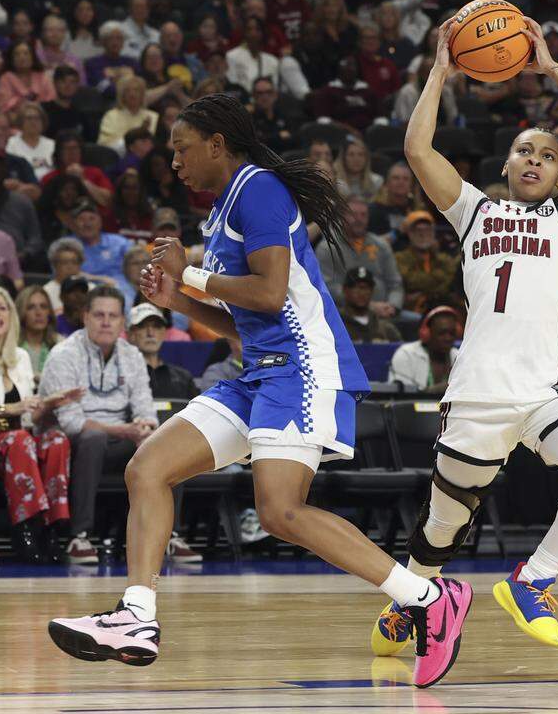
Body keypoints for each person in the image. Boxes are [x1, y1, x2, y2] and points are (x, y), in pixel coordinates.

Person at [48, 94, 470, 689]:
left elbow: (271, 295)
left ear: (216, 143)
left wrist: (189, 274)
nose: (173, 162)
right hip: (259, 370)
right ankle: (137, 617)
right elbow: (247, 323)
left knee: (279, 511)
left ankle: (428, 598)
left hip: (302, 369)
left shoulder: (261, 189)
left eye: (180, 148)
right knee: (149, 468)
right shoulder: (222, 210)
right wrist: (179, 302)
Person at [369, 17, 558, 659]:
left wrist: (551, 69)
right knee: (443, 525)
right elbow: (417, 151)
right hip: (482, 390)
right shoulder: (475, 212)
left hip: (552, 389)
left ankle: (531, 580)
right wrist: (440, 67)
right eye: (524, 151)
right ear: (506, 164)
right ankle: (414, 596)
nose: (535, 160)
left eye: (547, 155)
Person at [0, 286, 82, 562]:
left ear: (11, 316)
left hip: (17, 442)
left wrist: (47, 404)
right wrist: (11, 408)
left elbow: (26, 418)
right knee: (19, 440)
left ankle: (54, 529)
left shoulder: (19, 357)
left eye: (2, 308)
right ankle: (27, 530)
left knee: (56, 439)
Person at [38, 286, 165, 565]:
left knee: (161, 447)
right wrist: (125, 430)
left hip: (119, 439)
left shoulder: (132, 355)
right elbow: (72, 424)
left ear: (123, 322)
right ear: (85, 317)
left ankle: (168, 536)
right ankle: (78, 536)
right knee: (93, 438)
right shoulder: (64, 355)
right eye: (99, 315)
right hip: (71, 444)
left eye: (113, 316)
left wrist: (145, 428)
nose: (106, 322)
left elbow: (146, 408)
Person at [315, 197, 403, 317]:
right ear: (341, 217)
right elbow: (326, 286)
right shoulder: (327, 248)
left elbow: (395, 284)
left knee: (414, 321)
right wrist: (369, 305)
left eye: (363, 215)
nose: (359, 219)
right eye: (353, 214)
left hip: (384, 312)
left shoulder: (382, 246)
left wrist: (392, 306)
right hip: (343, 313)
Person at [128, 302, 198, 401]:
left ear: (164, 333)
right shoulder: (119, 376)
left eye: (156, 326)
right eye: (142, 326)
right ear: (130, 334)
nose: (150, 333)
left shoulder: (183, 378)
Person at [395, 211, 457, 314]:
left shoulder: (443, 259)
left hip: (442, 306)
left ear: (433, 233)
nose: (422, 234)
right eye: (417, 230)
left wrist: (422, 291)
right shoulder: (400, 258)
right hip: (413, 310)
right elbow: (410, 281)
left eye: (427, 230)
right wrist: (437, 279)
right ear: (409, 234)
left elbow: (449, 282)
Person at [387, 306, 461, 392]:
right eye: (442, 333)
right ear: (427, 333)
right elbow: (403, 394)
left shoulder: (458, 356)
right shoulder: (406, 354)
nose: (448, 338)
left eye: (452, 333)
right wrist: (441, 388)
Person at [71, 200, 133, 288]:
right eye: (81, 219)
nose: (87, 224)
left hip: (121, 287)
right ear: (74, 223)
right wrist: (99, 279)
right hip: (83, 288)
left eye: (92, 218)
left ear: (100, 221)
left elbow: (137, 264)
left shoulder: (119, 243)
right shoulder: (68, 246)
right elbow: (64, 272)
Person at [0, 39, 57, 117]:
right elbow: (5, 106)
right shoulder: (6, 78)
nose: (22, 58)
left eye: (26, 54)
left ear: (32, 57)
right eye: (17, 54)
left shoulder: (42, 77)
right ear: (12, 59)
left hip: (42, 118)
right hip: (15, 119)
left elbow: (51, 101)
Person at [339, 266, 401, 343]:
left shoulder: (384, 327)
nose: (362, 293)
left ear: (372, 291)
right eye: (356, 287)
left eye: (366, 288)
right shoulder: (335, 323)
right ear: (345, 290)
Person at [99, 76, 159, 152]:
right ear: (122, 95)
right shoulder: (111, 116)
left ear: (143, 94)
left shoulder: (154, 116)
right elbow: (105, 146)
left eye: (136, 90)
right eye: (127, 91)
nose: (132, 94)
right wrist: (139, 133)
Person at [15, 285, 62, 378]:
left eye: (43, 306)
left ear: (49, 312)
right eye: (31, 307)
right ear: (21, 312)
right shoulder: (11, 346)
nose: (38, 312)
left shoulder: (61, 345)